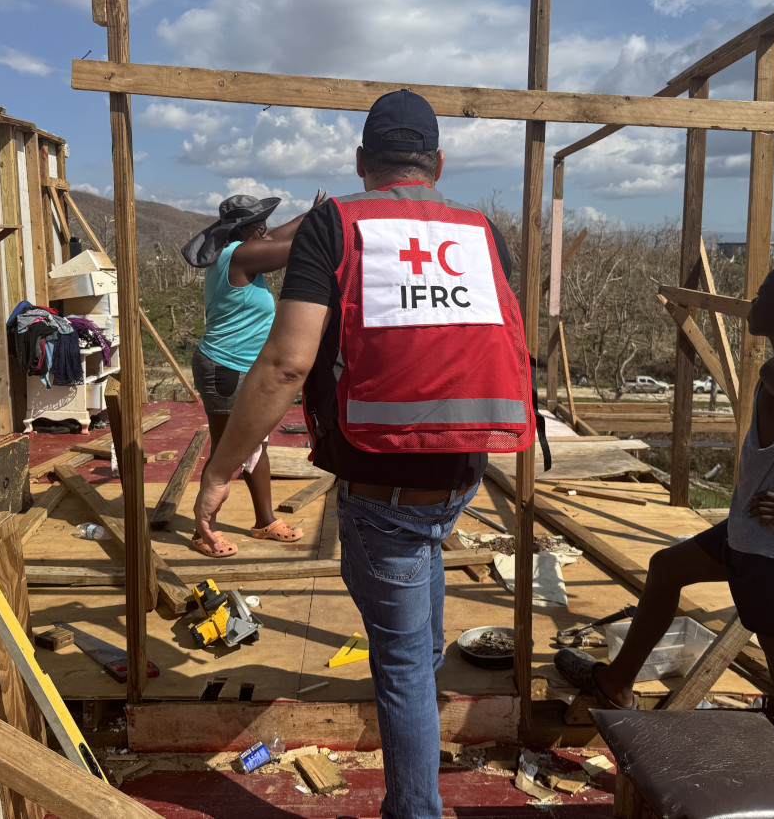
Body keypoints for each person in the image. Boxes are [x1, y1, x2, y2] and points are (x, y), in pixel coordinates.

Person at [192, 89, 533, 819]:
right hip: (463, 472)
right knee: (421, 614)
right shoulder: (482, 232)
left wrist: (221, 471)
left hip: (385, 486)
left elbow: (286, 364)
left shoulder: (336, 225)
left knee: (403, 664)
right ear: (436, 163)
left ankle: (416, 811)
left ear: (361, 162)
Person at [555, 260, 774, 782]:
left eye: (762, 292)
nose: (752, 300)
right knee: (667, 566)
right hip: (754, 535)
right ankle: (616, 682)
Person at [181, 191, 325, 557]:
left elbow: (276, 238)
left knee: (255, 443)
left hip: (243, 366)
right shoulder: (239, 257)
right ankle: (204, 531)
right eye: (260, 226)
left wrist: (310, 214)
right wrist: (325, 222)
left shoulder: (241, 252)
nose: (266, 231)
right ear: (245, 231)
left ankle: (264, 521)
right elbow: (288, 247)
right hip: (225, 367)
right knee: (227, 448)